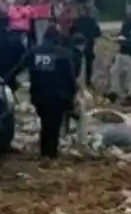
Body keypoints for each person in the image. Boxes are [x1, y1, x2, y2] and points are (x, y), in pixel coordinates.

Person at [6, 25, 78, 159]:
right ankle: (51, 154)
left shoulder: (33, 52)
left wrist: (11, 83)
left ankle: (44, 152)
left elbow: (17, 69)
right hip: (58, 96)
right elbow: (70, 79)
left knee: (45, 123)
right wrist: (72, 96)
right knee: (54, 126)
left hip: (39, 96)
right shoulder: (64, 54)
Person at [108, 2, 131, 106]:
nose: (128, 11)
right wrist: (114, 37)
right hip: (122, 51)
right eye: (127, 8)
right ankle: (114, 92)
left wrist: (121, 40)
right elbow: (121, 33)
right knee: (114, 70)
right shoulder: (127, 22)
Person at [72, 0, 102, 88]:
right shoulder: (77, 21)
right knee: (78, 64)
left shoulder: (91, 21)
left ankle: (87, 81)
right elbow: (72, 33)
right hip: (81, 45)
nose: (82, 12)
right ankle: (77, 81)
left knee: (87, 64)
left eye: (84, 10)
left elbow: (98, 33)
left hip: (87, 44)